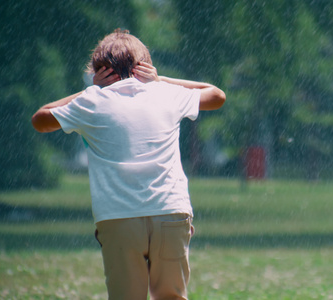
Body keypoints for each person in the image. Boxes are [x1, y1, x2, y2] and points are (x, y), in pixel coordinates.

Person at [31, 29, 225, 300]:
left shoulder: (91, 102)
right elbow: (216, 95)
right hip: (170, 211)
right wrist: (161, 80)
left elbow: (40, 119)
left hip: (119, 217)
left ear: (99, 69)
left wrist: (91, 90)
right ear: (144, 66)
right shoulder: (165, 94)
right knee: (172, 296)